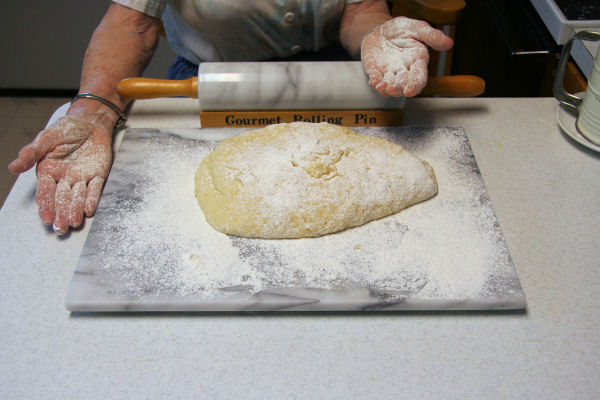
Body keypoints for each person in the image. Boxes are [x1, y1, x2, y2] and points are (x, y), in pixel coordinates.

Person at [8, 0, 453, 235]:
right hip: (206, 84)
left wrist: (376, 33)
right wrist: (95, 109)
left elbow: (359, 10)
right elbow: (131, 24)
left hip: (331, 80)